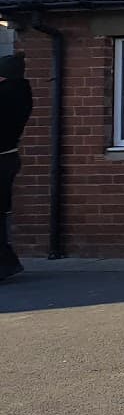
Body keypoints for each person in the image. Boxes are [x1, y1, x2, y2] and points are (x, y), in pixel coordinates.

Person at [0, 52, 33, 282]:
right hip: (8, 157)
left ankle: (5, 264)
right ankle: (6, 262)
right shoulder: (21, 92)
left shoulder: (6, 96)